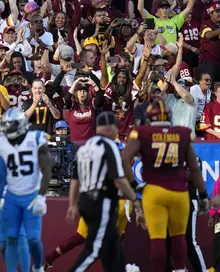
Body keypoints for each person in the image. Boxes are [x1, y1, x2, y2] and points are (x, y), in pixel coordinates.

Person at [122, 101, 209, 272]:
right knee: (179, 237)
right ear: (169, 117)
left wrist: (133, 184)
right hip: (179, 192)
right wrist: (203, 194)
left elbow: (124, 159)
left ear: (149, 117)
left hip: (154, 191)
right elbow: (195, 168)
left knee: (158, 239)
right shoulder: (182, 133)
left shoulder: (143, 132)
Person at [67, 111, 144, 271]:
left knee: (114, 247)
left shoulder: (85, 147)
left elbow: (75, 180)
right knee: (94, 248)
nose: (117, 131)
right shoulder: (110, 146)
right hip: (102, 202)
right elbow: (119, 179)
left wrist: (73, 204)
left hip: (86, 201)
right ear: (109, 128)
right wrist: (135, 199)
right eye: (116, 127)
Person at [0, 108, 51, 272]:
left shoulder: (36, 138)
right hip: (11, 197)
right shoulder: (0, 144)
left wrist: (41, 196)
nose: (9, 128)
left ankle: (37, 267)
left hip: (31, 196)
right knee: (11, 238)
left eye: (13, 124)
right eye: (7, 125)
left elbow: (47, 170)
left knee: (33, 239)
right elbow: (0, 175)